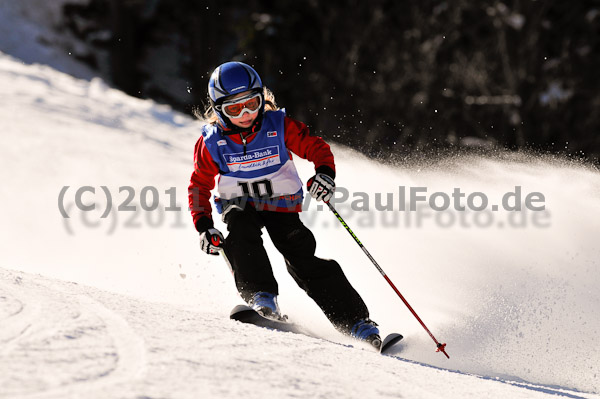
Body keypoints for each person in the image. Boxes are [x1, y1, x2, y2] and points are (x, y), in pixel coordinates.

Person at [188, 61, 381, 346]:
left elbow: (317, 148)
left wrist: (324, 174)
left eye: (252, 104)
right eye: (234, 109)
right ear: (219, 109)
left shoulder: (278, 125)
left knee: (301, 258)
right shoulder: (212, 142)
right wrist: (204, 226)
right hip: (240, 205)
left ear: (260, 98)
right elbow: (199, 186)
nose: (245, 114)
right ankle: (262, 298)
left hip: (281, 206)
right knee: (241, 235)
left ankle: (356, 322)